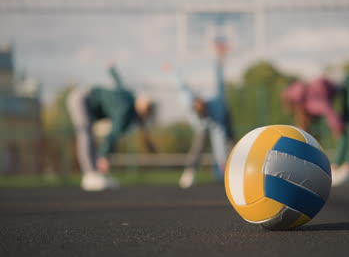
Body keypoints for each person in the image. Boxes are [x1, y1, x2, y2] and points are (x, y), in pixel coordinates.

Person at [67, 64, 156, 191]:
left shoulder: (130, 97)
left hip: (87, 102)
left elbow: (119, 82)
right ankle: (90, 175)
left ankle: (96, 174)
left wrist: (112, 70)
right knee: (85, 133)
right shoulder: (125, 110)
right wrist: (104, 156)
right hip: (81, 100)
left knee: (89, 134)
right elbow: (113, 135)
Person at [165, 38, 234, 189]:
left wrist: (222, 161)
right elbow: (181, 85)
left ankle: (230, 171)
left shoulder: (216, 109)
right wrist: (171, 71)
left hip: (223, 115)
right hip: (203, 125)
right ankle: (189, 172)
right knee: (199, 144)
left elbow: (218, 135)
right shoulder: (188, 100)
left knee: (229, 142)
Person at [281, 74, 349, 186]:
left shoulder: (309, 103)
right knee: (346, 127)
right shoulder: (305, 93)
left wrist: (336, 126)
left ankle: (348, 167)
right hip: (345, 86)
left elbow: (326, 108)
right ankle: (337, 166)